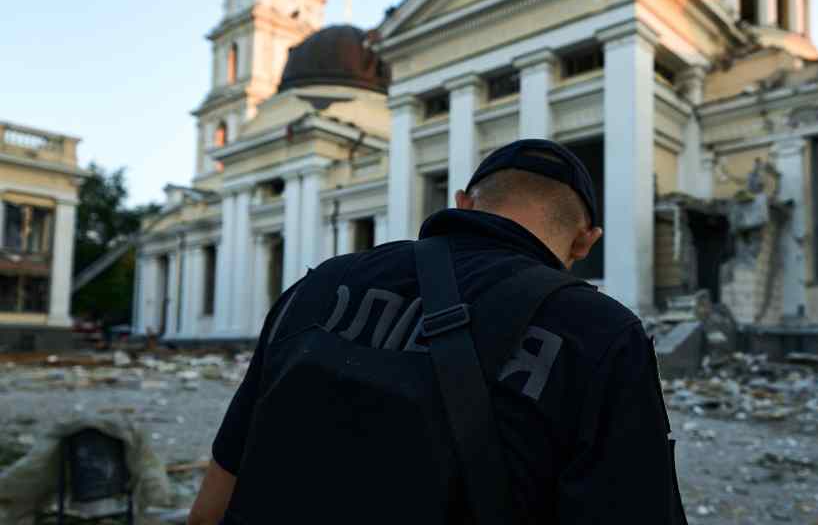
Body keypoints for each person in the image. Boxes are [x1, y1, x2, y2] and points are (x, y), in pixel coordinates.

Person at [188, 139, 687, 524]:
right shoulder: (602, 335)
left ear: (464, 203)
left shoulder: (317, 286)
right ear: (585, 241)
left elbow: (212, 506)